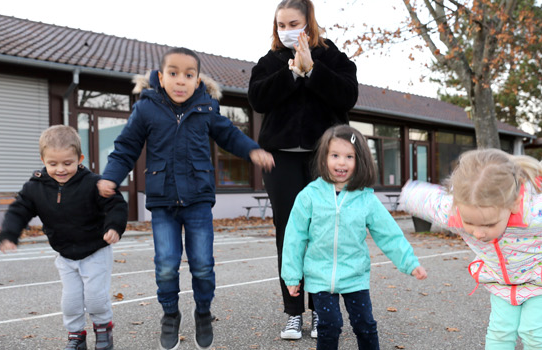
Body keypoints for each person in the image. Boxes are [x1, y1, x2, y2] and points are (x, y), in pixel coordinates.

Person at [97, 47, 276, 350]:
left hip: (198, 200)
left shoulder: (206, 108)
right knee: (166, 264)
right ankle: (170, 314)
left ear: (197, 80)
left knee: (203, 264)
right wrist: (111, 176)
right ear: (161, 77)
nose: (181, 81)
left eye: (188, 75)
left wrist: (251, 149)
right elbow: (126, 146)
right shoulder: (146, 108)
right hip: (163, 201)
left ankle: (203, 312)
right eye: (174, 73)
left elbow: (229, 135)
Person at [399, 150, 542, 350]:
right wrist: (407, 193)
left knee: (533, 332)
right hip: (501, 281)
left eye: (488, 224)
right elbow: (424, 198)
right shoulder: (451, 211)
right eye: (470, 223)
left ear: (514, 204)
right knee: (499, 331)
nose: (478, 233)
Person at [249, 0, 362, 339]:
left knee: (324, 233)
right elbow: (257, 99)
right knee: (289, 233)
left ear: (309, 22)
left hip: (323, 158)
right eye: (281, 24)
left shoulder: (332, 58)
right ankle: (293, 312)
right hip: (281, 160)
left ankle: (320, 312)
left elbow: (348, 96)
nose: (287, 30)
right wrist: (291, 73)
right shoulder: (269, 62)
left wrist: (313, 70)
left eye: (293, 22)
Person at [280, 125, 427, 350]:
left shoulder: (366, 199)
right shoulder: (309, 196)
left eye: (349, 156)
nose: (342, 163)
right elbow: (294, 237)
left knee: (364, 324)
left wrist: (409, 263)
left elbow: (389, 234)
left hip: (354, 276)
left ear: (360, 161)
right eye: (335, 155)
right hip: (320, 278)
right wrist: (292, 276)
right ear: (324, 157)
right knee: (329, 326)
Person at [0, 125, 128, 350]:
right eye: (53, 164)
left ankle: (103, 331)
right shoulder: (35, 187)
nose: (60, 169)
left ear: (80, 158)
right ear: (43, 159)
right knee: (71, 303)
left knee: (95, 298)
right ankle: (76, 337)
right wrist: (9, 235)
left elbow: (116, 204)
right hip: (66, 256)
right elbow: (19, 211)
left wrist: (114, 226)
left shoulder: (93, 183)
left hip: (95, 251)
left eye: (68, 163)